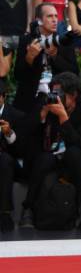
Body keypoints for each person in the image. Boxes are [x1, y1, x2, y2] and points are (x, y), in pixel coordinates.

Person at [19, 72, 81, 230]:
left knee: (74, 152)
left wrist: (63, 117)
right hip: (50, 157)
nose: (56, 97)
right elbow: (24, 134)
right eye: (54, 92)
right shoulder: (47, 103)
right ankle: (28, 209)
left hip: (75, 162)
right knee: (44, 158)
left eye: (60, 93)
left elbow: (79, 143)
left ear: (74, 94)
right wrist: (42, 116)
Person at [13, 3, 78, 113]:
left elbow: (74, 73)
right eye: (50, 16)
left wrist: (55, 56)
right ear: (39, 20)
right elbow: (18, 75)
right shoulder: (26, 40)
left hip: (58, 97)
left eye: (56, 16)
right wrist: (29, 58)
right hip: (31, 98)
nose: (54, 20)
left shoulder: (64, 40)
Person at [0, 78, 26, 232]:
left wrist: (9, 133)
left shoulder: (16, 116)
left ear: (3, 97)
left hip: (10, 163)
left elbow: (21, 150)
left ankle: (4, 213)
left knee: (4, 160)